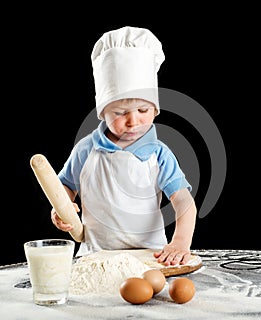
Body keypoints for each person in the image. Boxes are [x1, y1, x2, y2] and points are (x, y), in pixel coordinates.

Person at [51, 26, 197, 266]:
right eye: (120, 112)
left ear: (155, 109)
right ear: (103, 112)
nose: (133, 121)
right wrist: (60, 209)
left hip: (150, 256)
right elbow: (64, 186)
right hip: (95, 257)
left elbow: (183, 201)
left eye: (143, 110)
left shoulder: (159, 154)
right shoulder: (86, 150)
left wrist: (180, 242)